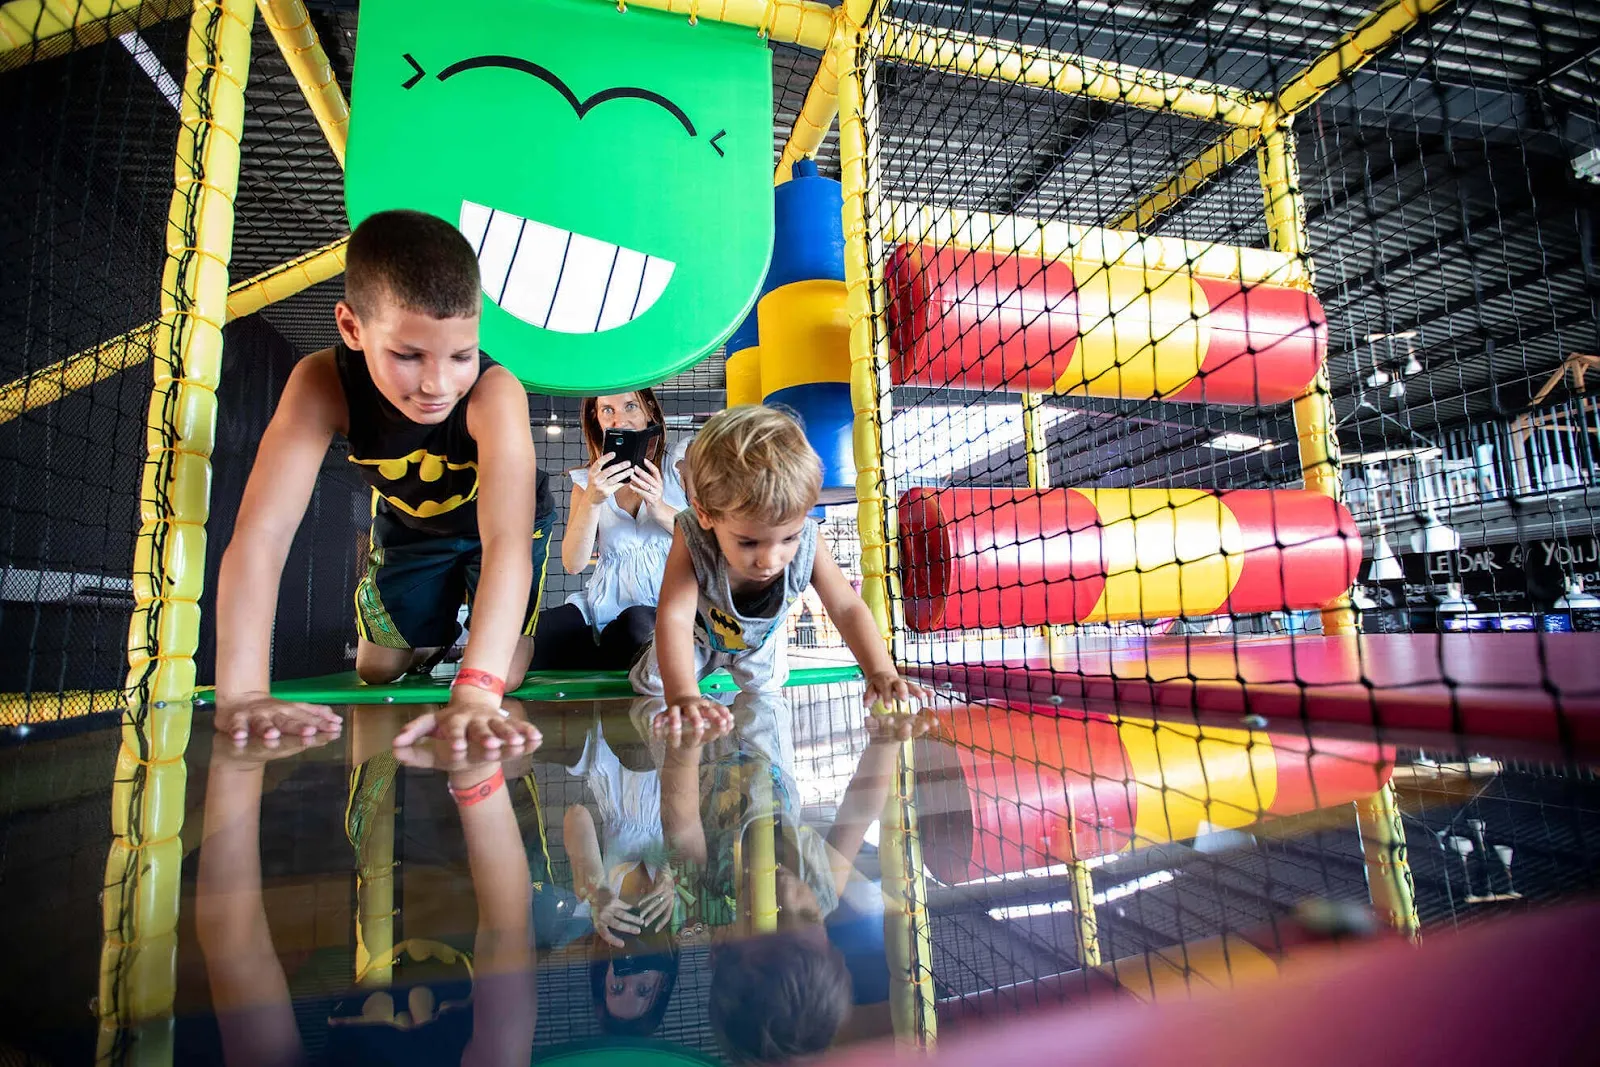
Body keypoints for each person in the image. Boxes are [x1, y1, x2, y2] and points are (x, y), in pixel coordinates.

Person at [212, 208, 549, 751]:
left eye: (461, 355)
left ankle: (476, 639)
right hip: (412, 524)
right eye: (408, 355)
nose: (439, 383)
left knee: (501, 675)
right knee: (377, 669)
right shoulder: (322, 383)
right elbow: (262, 536)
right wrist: (244, 694)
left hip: (499, 526)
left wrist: (474, 694)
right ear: (352, 328)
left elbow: (506, 542)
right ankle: (434, 633)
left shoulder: (494, 392)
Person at [631, 404, 929, 727]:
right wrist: (684, 696)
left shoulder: (810, 540)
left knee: (766, 707)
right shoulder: (691, 534)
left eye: (789, 538)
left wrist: (880, 670)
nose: (770, 560)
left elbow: (846, 607)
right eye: (749, 542)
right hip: (696, 636)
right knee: (653, 687)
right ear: (706, 515)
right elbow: (675, 616)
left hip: (760, 645)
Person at [532, 390, 686, 671]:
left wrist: (658, 506)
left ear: (649, 410)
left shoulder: (678, 465)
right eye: (607, 411)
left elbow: (709, 540)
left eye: (630, 406)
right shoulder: (587, 482)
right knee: (536, 636)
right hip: (604, 605)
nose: (619, 420)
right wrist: (593, 500)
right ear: (598, 420)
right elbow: (572, 564)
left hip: (671, 605)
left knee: (636, 625)